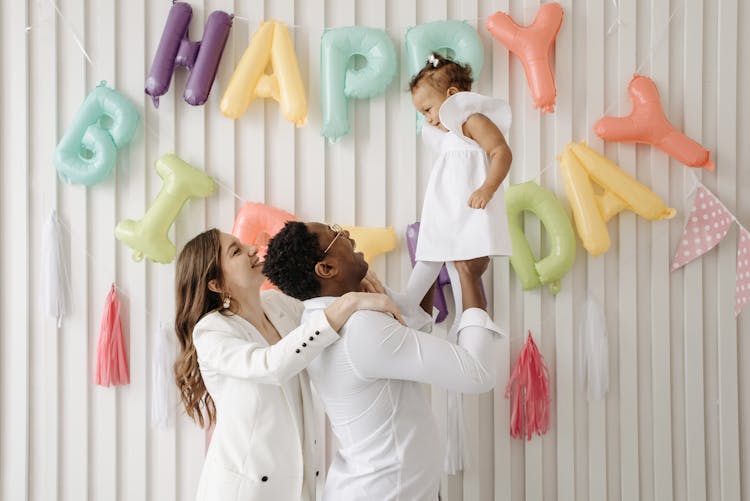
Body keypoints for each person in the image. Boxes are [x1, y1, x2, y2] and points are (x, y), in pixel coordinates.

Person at [263, 221, 504, 501]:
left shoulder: (326, 319)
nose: (346, 233)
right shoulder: (359, 327)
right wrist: (469, 276)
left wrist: (431, 252)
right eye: (334, 233)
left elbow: (411, 326)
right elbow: (477, 374)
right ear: (327, 269)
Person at [173, 228, 405, 501]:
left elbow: (324, 314)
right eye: (235, 251)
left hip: (299, 486)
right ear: (216, 284)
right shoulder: (211, 331)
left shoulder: (276, 304)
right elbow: (270, 365)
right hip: (244, 492)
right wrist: (350, 302)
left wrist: (359, 284)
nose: (250, 248)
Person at [406, 52, 513, 324]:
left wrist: (487, 188)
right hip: (448, 211)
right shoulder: (446, 135)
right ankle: (411, 302)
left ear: (453, 94)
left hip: (469, 211)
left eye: (428, 110)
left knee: (461, 267)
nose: (428, 119)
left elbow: (501, 152)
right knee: (430, 254)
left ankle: (463, 323)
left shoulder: (473, 121)